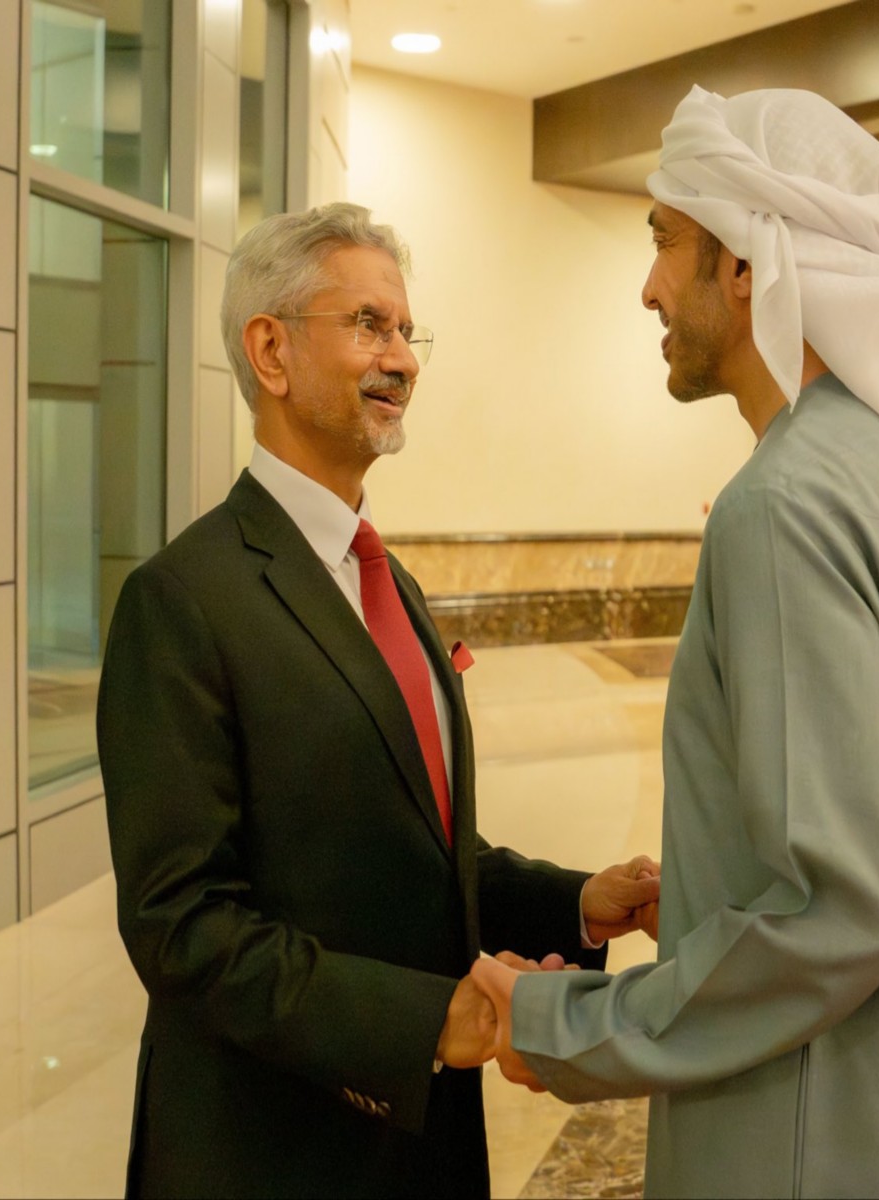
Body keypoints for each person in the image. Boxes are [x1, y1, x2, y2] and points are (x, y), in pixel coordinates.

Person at [472, 87, 879, 1199]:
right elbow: (873, 837)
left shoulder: (782, 504)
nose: (647, 288)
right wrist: (717, 891)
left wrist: (568, 1022)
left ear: (745, 268)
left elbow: (849, 906)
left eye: (665, 242)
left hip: (803, 1138)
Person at [97, 203, 660, 1199]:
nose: (401, 358)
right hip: (273, 1149)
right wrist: (422, 1021)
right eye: (367, 324)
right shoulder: (182, 601)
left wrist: (574, 901)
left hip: (420, 1135)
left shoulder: (383, 581)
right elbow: (181, 927)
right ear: (269, 351)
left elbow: (420, 848)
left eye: (406, 330)